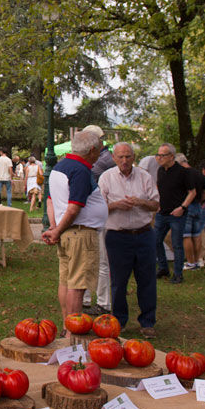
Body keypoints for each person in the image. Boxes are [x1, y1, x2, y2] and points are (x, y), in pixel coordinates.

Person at [41, 130, 107, 321]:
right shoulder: (80, 170)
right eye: (100, 150)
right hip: (80, 233)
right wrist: (57, 230)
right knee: (77, 286)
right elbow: (73, 208)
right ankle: (73, 331)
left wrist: (54, 227)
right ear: (92, 150)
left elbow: (51, 201)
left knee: (66, 281)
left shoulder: (59, 167)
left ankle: (66, 325)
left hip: (68, 233)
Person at [97, 142, 160, 338]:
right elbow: (99, 208)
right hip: (117, 236)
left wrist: (141, 202)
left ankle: (147, 322)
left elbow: (156, 205)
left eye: (128, 157)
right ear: (114, 158)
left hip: (144, 234)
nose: (124, 161)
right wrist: (115, 205)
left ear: (134, 158)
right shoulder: (106, 178)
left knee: (147, 279)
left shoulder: (145, 176)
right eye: (121, 157)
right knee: (118, 281)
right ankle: (120, 321)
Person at [153, 143, 198, 284]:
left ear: (171, 156)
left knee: (177, 244)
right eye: (158, 155)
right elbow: (159, 187)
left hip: (177, 214)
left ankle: (178, 273)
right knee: (155, 241)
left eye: (162, 155)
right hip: (162, 213)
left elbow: (192, 192)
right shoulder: (161, 171)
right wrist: (158, 203)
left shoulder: (183, 172)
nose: (159, 158)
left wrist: (182, 208)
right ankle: (163, 268)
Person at [83, 124, 115, 315]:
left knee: (101, 260)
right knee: (91, 258)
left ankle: (103, 301)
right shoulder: (103, 159)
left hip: (99, 216)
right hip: (94, 214)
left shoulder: (102, 161)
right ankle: (88, 298)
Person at [176, 153, 205, 271]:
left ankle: (190, 262)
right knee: (197, 234)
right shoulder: (198, 173)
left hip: (186, 206)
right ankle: (197, 260)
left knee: (186, 235)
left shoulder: (182, 173)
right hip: (198, 207)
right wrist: (200, 200)